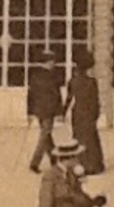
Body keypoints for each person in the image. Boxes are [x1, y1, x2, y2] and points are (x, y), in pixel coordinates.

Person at [62, 47, 104, 175]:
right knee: (91, 139)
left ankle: (83, 164)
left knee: (80, 139)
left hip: (78, 112)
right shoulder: (91, 82)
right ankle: (94, 165)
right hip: (89, 112)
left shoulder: (73, 81)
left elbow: (69, 99)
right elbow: (96, 101)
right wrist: (96, 114)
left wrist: (63, 113)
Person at [26, 48, 64, 173]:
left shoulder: (34, 76)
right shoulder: (53, 76)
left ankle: (54, 159)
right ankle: (34, 163)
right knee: (44, 136)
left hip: (39, 110)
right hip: (49, 110)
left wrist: (30, 112)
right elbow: (56, 95)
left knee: (46, 136)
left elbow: (30, 95)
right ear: (48, 62)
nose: (54, 64)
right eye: (52, 61)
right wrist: (60, 112)